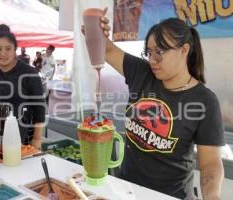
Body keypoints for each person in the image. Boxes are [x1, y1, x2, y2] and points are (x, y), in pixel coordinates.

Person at [88, 9, 224, 200]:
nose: (152, 60)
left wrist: (213, 196)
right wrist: (95, 27)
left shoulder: (205, 101)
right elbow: (106, 49)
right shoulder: (142, 73)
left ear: (184, 50)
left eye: (159, 52)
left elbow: (210, 164)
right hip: (127, 191)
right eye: (149, 52)